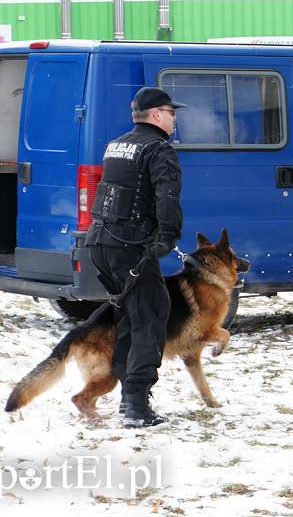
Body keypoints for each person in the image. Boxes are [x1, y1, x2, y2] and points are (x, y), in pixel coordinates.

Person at [86, 87, 185, 428]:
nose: (175, 118)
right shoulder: (159, 150)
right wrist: (167, 236)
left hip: (101, 243)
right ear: (157, 115)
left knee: (131, 319)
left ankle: (130, 396)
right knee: (151, 319)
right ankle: (136, 407)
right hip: (131, 248)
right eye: (172, 112)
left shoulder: (117, 145)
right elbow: (167, 198)